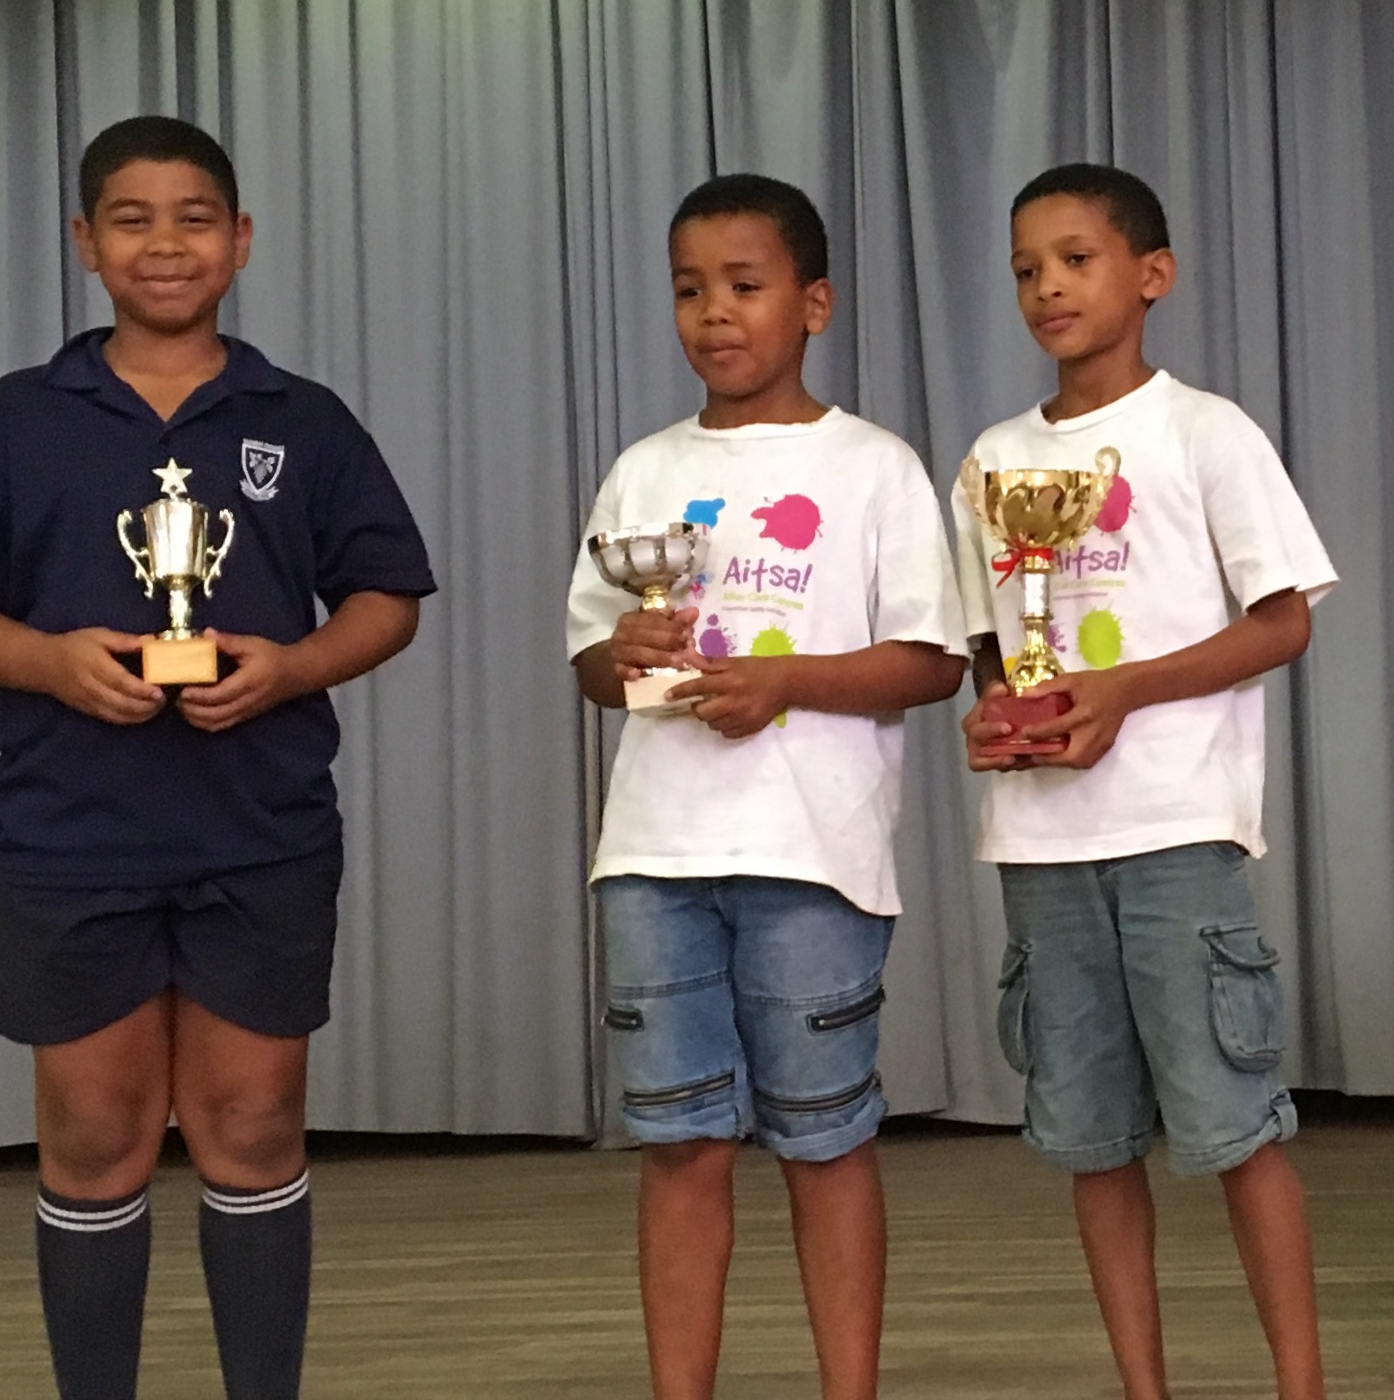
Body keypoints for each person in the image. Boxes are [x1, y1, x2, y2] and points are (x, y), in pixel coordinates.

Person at [0, 115, 435, 1400]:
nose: (166, 244)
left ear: (240, 239)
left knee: (252, 1123)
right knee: (93, 1135)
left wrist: (291, 667)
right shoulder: (16, 419)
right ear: (86, 243)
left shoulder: (303, 419)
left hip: (262, 826)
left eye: (194, 217)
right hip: (70, 832)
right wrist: (47, 660)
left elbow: (387, 596)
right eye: (131, 219)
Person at [564, 172, 966, 1400]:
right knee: (678, 1142)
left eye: (743, 285)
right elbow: (592, 661)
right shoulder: (643, 468)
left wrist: (783, 679)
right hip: (654, 855)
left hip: (812, 856)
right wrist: (623, 652)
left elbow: (932, 659)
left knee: (826, 1138)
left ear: (814, 303)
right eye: (689, 289)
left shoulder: (874, 466)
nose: (714, 313)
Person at [951, 162, 1336, 1400]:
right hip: (1042, 844)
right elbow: (990, 644)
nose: (1047, 286)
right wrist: (1001, 714)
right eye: (1025, 268)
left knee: (1236, 1128)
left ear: (1151, 273)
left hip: (1177, 829)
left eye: (1076, 258)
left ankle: (1299, 1383)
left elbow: (1282, 620)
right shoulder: (993, 458)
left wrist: (1122, 690)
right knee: (1091, 1141)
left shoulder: (1204, 430)